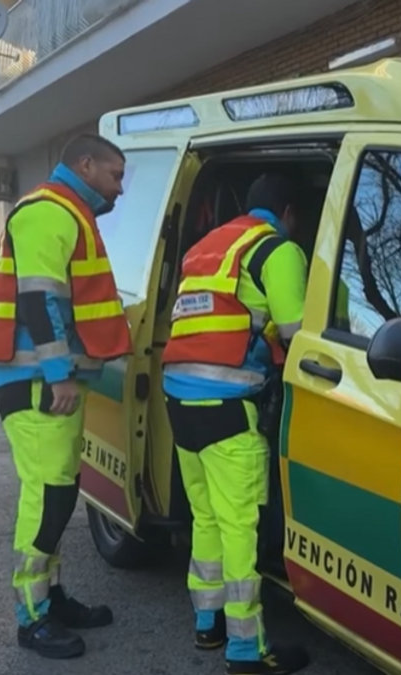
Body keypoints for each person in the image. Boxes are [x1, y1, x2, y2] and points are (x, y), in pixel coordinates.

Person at [0, 133, 132, 659]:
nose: (120, 189)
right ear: (84, 165)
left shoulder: (70, 214)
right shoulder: (47, 211)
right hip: (38, 383)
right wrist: (59, 371)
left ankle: (53, 597)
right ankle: (32, 617)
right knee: (47, 499)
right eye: (115, 175)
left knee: (59, 494)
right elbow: (37, 298)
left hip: (48, 381)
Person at [161, 173, 310, 675]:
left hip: (179, 400)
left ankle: (209, 624)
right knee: (240, 527)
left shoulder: (208, 248)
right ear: (287, 214)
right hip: (228, 406)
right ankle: (246, 650)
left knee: (206, 518)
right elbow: (299, 336)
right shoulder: (277, 251)